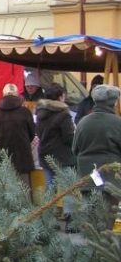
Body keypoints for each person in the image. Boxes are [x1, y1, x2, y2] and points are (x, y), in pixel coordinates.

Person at [73, 85, 121, 223]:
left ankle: (90, 241)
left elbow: (75, 149)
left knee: (90, 214)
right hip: (111, 177)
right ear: (113, 102)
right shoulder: (117, 123)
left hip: (87, 175)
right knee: (108, 217)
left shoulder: (83, 122)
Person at [36, 83, 77, 219]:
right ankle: (70, 219)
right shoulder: (64, 114)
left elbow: (38, 133)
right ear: (60, 97)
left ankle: (48, 218)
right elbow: (69, 138)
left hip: (46, 155)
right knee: (68, 188)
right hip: (63, 156)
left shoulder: (40, 113)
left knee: (50, 187)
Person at [0, 83, 36, 190]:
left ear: (3, 96)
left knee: (6, 189)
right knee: (24, 189)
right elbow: (32, 133)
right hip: (23, 157)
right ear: (17, 96)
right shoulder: (25, 112)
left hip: (2, 156)